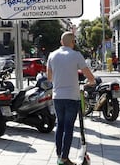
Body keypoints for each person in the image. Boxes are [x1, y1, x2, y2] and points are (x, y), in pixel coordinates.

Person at [47, 32, 95, 165]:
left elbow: (49, 77)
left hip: (57, 96)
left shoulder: (52, 55)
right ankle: (64, 158)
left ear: (61, 42)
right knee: (68, 127)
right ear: (73, 42)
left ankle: (59, 156)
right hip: (72, 97)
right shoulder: (76, 55)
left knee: (60, 126)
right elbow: (90, 78)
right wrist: (87, 83)